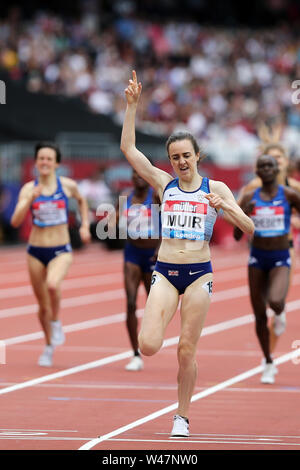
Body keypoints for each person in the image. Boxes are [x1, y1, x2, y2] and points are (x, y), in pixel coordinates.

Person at [120, 70, 254, 437]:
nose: (181, 162)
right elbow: (130, 151)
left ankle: (182, 415)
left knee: (185, 349)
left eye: (186, 156)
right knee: (148, 345)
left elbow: (250, 228)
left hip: (199, 275)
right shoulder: (164, 184)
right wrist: (131, 106)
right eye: (175, 157)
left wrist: (226, 208)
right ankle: (156, 342)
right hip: (164, 271)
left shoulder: (217, 187)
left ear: (198, 156)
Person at [11, 142, 91, 367]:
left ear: (56, 163)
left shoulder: (67, 185)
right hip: (35, 251)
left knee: (53, 286)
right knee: (42, 305)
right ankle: (48, 345)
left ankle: (55, 322)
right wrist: (29, 199)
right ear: (36, 162)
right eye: (41, 159)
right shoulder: (29, 189)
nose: (44, 162)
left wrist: (84, 226)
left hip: (60, 249)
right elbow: (15, 221)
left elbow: (82, 201)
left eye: (49, 159)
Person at [234, 153, 300, 384]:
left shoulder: (290, 195)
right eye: (262, 166)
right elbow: (236, 235)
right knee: (260, 315)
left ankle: (280, 313)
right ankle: (268, 362)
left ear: (276, 169)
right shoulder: (250, 198)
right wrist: (246, 214)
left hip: (281, 256)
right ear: (257, 171)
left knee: (275, 301)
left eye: (270, 165)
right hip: (257, 259)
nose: (266, 169)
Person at [116, 169, 161, 371]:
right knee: (131, 302)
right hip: (132, 254)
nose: (137, 177)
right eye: (134, 174)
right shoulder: (126, 196)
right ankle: (135, 354)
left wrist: (161, 247)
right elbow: (114, 221)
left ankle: (149, 338)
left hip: (153, 255)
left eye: (142, 174)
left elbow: (167, 223)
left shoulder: (156, 196)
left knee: (154, 305)